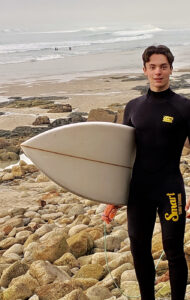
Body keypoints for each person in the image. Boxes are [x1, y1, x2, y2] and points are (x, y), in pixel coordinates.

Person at [103, 45, 190, 300]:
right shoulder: (132, 107)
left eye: (163, 66)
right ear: (144, 70)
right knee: (139, 249)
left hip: (170, 189)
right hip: (139, 190)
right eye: (152, 67)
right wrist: (113, 196)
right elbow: (122, 156)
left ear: (171, 70)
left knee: (173, 250)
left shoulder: (184, 107)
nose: (158, 72)